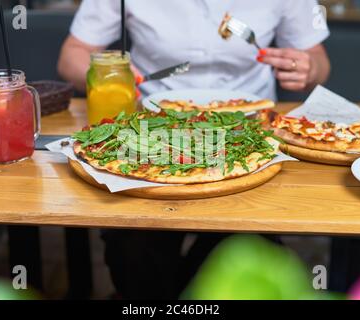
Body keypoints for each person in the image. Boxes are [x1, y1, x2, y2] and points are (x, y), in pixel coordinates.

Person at [58, 0, 331, 299]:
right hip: (151, 136)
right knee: (133, 241)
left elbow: (318, 59)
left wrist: (308, 67)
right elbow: (71, 55)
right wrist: (110, 72)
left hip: (248, 136)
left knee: (247, 239)